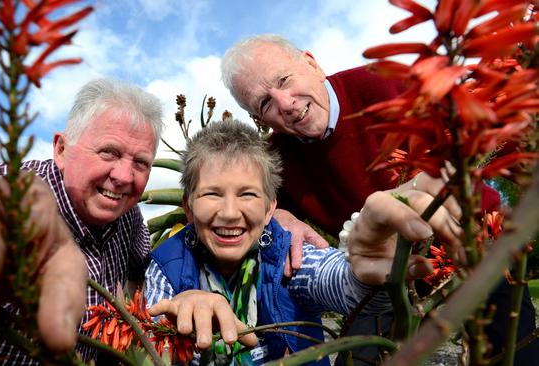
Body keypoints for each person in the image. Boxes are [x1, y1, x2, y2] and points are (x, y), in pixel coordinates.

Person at [220, 34, 537, 365]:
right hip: (383, 274)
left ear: (312, 64)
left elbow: (493, 129)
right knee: (356, 359)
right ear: (259, 118)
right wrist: (280, 215)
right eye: (265, 104)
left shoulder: (386, 81)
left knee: (516, 352)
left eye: (284, 80)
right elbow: (224, 203)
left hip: (472, 241)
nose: (285, 103)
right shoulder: (277, 160)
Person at [144, 119, 461, 365]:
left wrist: (365, 272)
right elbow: (147, 326)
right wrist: (178, 311)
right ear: (188, 207)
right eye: (212, 194)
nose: (229, 213)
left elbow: (338, 281)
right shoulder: (166, 263)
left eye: (248, 194)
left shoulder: (285, 255)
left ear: (270, 208)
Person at [0, 77, 164, 365]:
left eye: (140, 162)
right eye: (109, 152)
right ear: (61, 150)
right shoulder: (16, 194)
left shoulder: (129, 216)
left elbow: (141, 273)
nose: (124, 177)